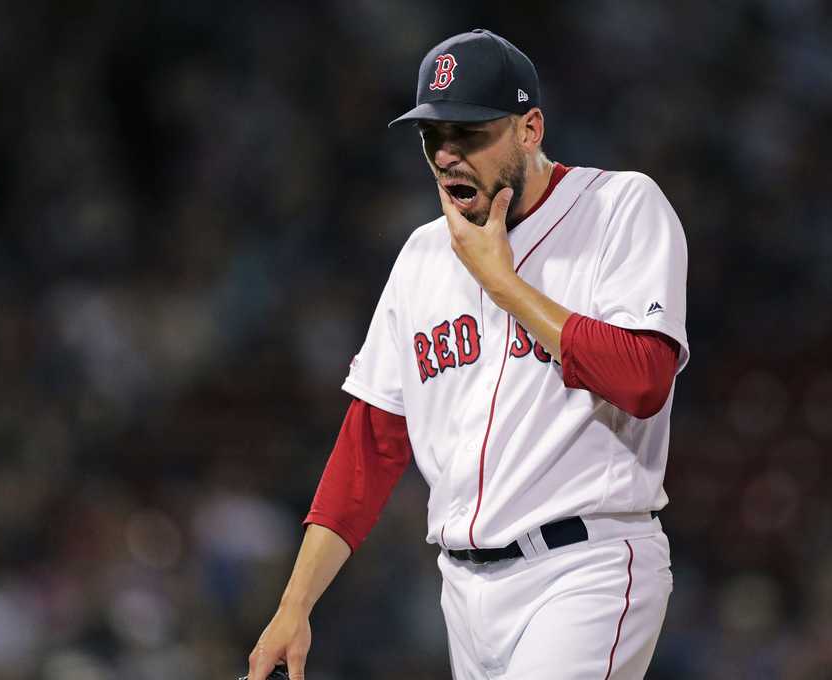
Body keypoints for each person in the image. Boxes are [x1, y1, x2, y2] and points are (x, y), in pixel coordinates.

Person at [248, 29, 689, 680]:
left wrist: (503, 285)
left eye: (471, 133)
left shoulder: (620, 208)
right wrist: (295, 605)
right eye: (434, 137)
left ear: (530, 129)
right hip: (463, 589)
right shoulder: (423, 255)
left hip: (585, 566)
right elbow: (372, 443)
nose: (448, 154)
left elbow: (644, 379)